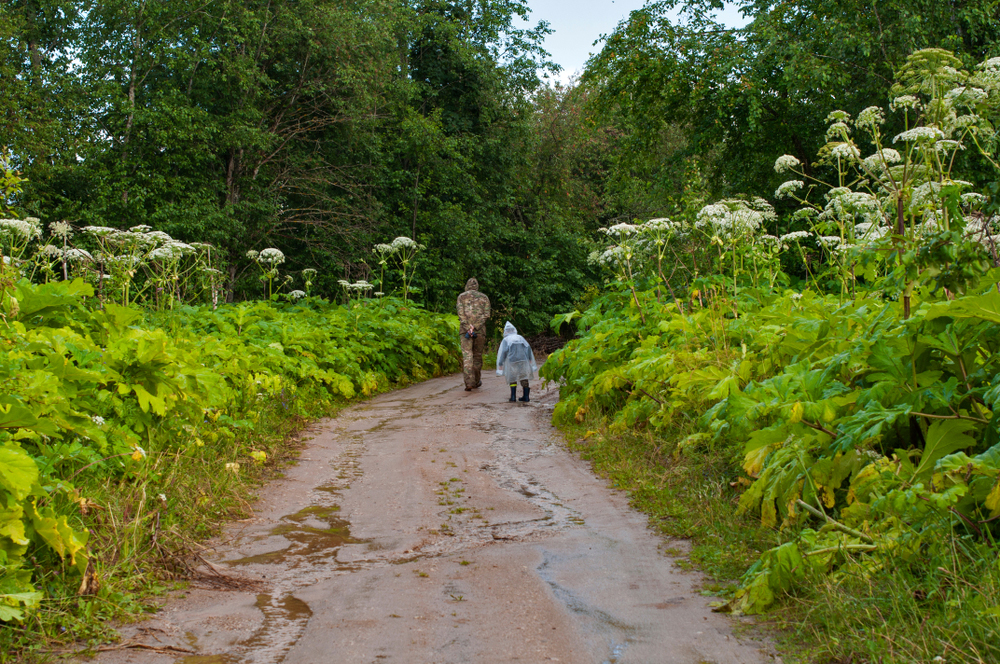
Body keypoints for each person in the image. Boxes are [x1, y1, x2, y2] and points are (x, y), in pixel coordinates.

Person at [456, 277, 491, 391]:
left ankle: (469, 383)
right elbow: (486, 315)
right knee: (477, 356)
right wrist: (475, 327)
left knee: (467, 356)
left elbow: (460, 314)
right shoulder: (484, 298)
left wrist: (468, 327)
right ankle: (476, 381)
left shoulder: (461, 297)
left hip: (465, 332)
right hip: (480, 331)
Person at [496, 321, 537, 402]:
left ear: (506, 331)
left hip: (512, 361)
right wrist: (530, 359)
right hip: (523, 360)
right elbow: (527, 348)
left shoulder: (506, 340)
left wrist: (500, 363)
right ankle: (526, 397)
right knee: (524, 376)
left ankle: (513, 397)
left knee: (512, 377)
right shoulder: (520, 337)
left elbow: (503, 352)